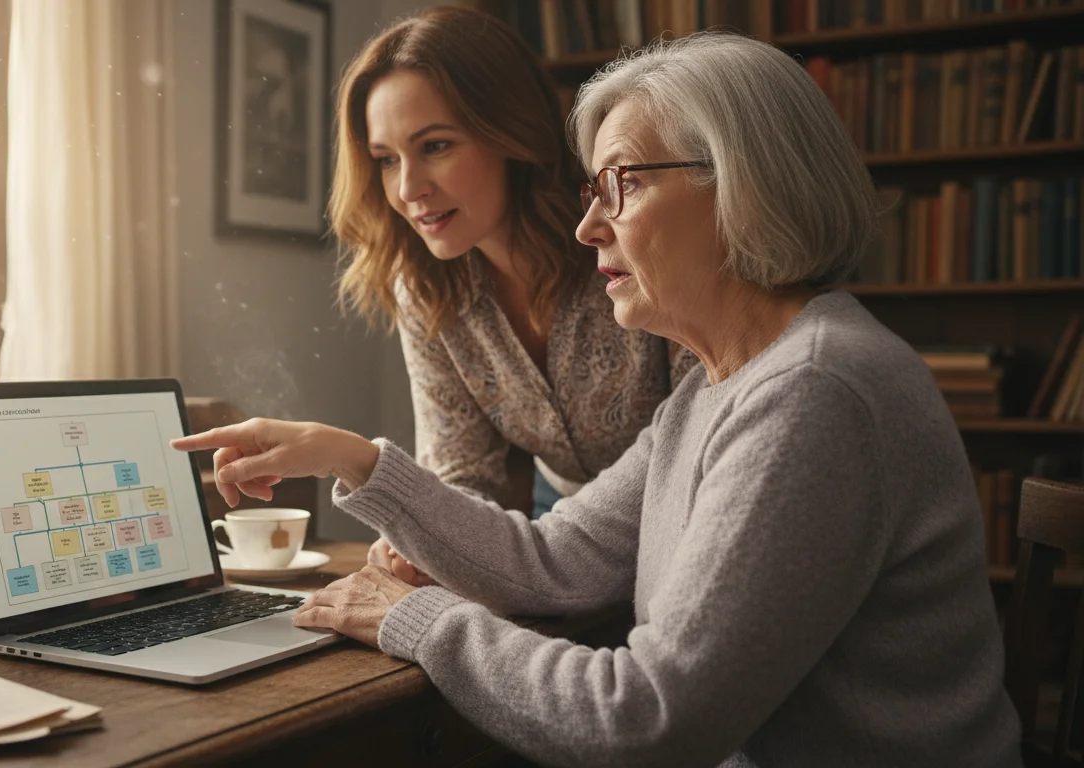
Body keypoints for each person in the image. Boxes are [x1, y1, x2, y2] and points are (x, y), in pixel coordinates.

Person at [176, 32, 1021, 767]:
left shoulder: (814, 392)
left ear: (744, 185)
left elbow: (645, 721)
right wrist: (353, 458)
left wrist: (416, 617)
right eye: (594, 189)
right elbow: (551, 563)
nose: (589, 229)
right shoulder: (717, 388)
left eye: (625, 184)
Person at [329, 5, 694, 546]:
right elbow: (461, 474)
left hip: (683, 510)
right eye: (386, 159)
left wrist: (531, 555)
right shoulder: (426, 288)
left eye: (435, 146)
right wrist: (427, 544)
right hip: (561, 522)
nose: (408, 188)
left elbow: (700, 432)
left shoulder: (622, 231)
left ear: (509, 131)